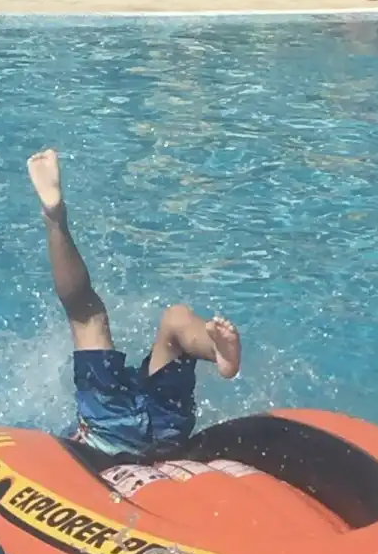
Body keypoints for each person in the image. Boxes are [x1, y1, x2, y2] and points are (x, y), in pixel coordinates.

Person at [26, 148, 241, 458]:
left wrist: (54, 219)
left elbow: (79, 303)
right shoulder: (136, 389)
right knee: (176, 319)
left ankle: (55, 220)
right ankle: (214, 349)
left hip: (109, 429)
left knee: (88, 316)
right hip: (167, 424)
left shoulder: (103, 403)